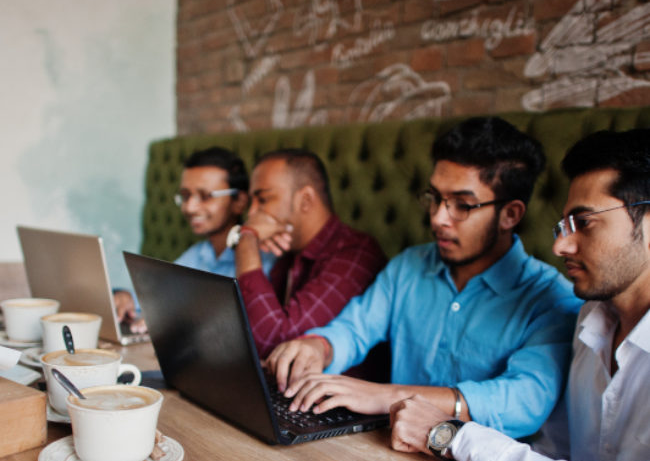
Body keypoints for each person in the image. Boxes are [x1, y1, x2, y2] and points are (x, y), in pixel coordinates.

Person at [388, 128, 650, 461]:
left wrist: (457, 436)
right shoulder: (590, 321)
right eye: (563, 223)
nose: (561, 243)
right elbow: (556, 452)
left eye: (584, 223)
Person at [266, 117, 580, 438]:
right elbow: (354, 328)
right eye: (435, 197)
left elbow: (523, 402)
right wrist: (320, 346)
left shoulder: (552, 300)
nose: (438, 218)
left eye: (462, 205)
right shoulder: (409, 266)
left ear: (510, 214)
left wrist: (386, 395)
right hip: (389, 450)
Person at [229, 148, 387, 358]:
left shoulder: (356, 253)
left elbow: (273, 341)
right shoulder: (287, 252)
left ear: (305, 200)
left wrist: (246, 240)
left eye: (263, 199)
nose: (251, 213)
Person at [113, 146, 275, 326]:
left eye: (206, 196)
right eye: (185, 195)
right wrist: (125, 297)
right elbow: (156, 294)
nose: (189, 207)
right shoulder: (198, 254)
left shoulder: (265, 259)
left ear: (239, 202)